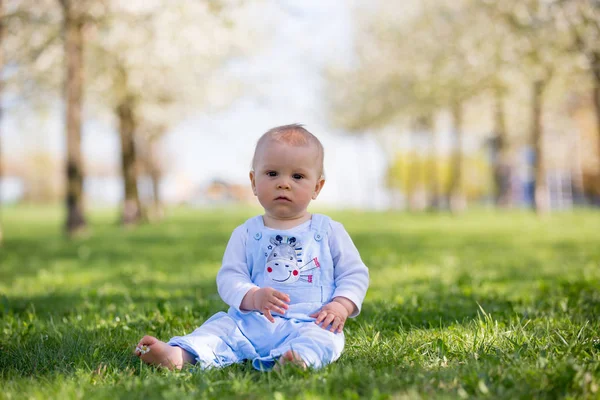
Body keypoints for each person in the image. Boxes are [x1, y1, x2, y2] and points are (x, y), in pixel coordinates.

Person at [135, 124, 369, 371]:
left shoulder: (328, 230)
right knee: (220, 330)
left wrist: (341, 305)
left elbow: (353, 273)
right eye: (272, 174)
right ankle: (179, 355)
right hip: (250, 321)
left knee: (323, 338)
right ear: (254, 182)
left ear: (317, 187)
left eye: (297, 176)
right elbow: (230, 276)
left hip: (310, 321)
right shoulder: (246, 233)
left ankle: (298, 359)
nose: (284, 184)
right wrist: (252, 296)